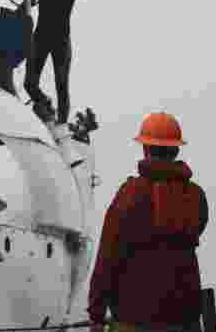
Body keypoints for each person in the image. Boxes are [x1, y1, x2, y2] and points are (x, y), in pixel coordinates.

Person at [87, 113, 208, 332]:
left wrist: (96, 313)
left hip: (133, 320)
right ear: (176, 150)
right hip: (184, 320)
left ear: (145, 149)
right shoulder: (196, 196)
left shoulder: (130, 195)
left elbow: (108, 255)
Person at [24, 0, 142, 124]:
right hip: (40, 39)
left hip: (61, 41)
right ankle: (45, 103)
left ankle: (62, 125)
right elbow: (25, 5)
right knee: (29, 84)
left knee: (61, 86)